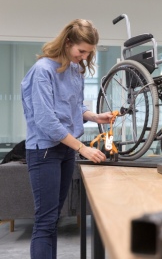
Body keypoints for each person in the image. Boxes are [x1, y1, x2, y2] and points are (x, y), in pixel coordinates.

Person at [21, 19, 113, 259]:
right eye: (81, 51)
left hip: (65, 150)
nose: (83, 57)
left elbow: (75, 107)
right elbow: (46, 121)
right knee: (45, 222)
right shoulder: (43, 71)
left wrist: (94, 116)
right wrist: (83, 148)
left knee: (54, 219)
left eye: (88, 53)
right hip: (44, 152)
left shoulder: (74, 70)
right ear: (67, 42)